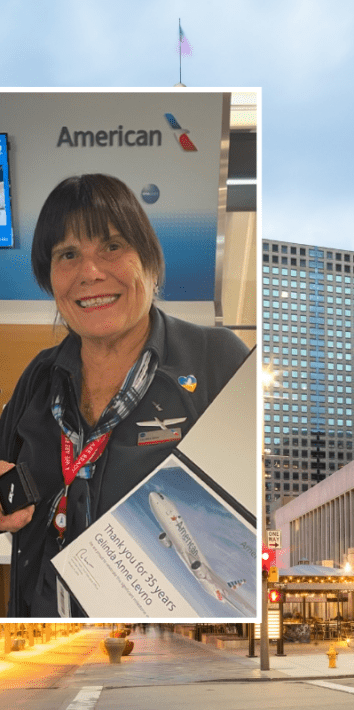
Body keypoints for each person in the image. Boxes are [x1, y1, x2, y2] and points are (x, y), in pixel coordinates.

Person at [0, 174, 250, 617]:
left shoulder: (216, 359)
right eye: (68, 254)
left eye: (111, 247)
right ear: (50, 276)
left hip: (163, 642)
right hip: (42, 636)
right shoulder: (38, 377)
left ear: (149, 260)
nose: (89, 272)